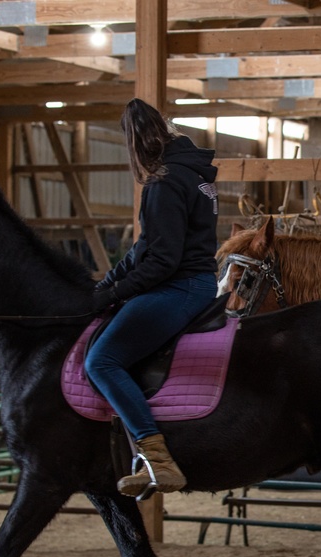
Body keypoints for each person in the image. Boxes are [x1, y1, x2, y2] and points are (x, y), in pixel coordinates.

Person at [86, 97, 219, 496]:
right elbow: (144, 248)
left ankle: (158, 458)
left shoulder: (164, 183)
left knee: (102, 360)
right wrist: (106, 287)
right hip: (195, 281)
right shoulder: (194, 175)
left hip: (180, 287)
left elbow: (162, 261)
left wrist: (116, 293)